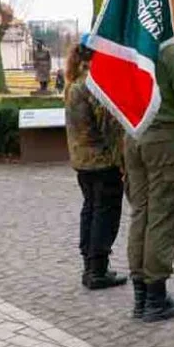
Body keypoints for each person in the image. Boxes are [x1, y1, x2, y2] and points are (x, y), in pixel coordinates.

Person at [124, 40, 174, 322]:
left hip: (133, 135)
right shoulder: (170, 51)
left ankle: (140, 297)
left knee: (141, 215)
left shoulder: (133, 46)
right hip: (162, 140)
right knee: (162, 216)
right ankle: (155, 298)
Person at [64, 35, 128, 290]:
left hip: (82, 161)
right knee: (106, 213)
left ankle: (90, 266)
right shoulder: (94, 86)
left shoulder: (74, 84)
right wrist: (122, 161)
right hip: (102, 162)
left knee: (90, 209)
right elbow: (109, 129)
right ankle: (98, 270)